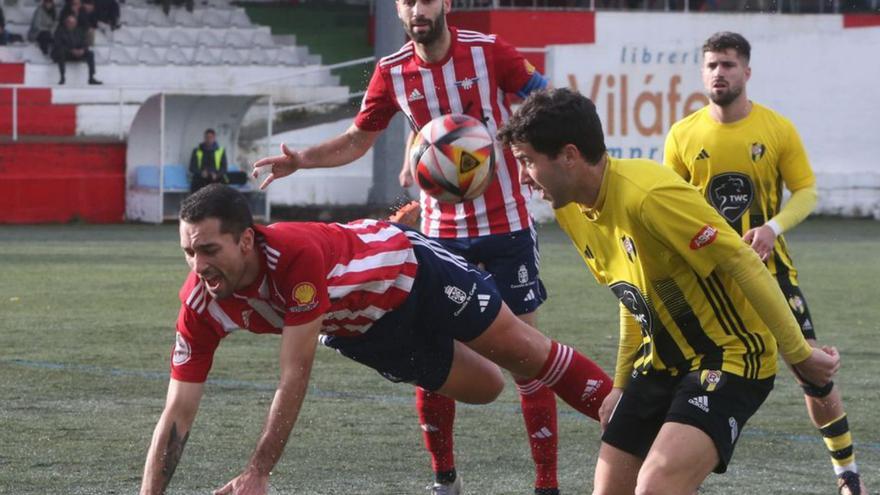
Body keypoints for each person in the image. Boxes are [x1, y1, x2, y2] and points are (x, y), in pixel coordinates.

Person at [253, 0, 561, 492]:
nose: (417, 8)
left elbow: (550, 101)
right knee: (436, 362)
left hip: (507, 230)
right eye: (406, 0)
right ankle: (445, 481)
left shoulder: (490, 53)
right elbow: (358, 139)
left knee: (529, 357)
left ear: (447, 4)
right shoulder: (392, 71)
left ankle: (547, 484)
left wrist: (512, 142)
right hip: (438, 240)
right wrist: (302, 161)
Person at [139, 184, 612, 495]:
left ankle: (635, 431)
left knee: (527, 355)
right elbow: (177, 412)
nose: (198, 266)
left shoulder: (292, 258)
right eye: (188, 251)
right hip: (365, 333)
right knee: (487, 388)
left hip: (413, 271)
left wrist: (258, 471)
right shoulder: (200, 304)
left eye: (208, 250)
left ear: (245, 240)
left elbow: (294, 375)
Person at [497, 88, 841, 495]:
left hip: (730, 355)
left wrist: (799, 355)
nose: (521, 177)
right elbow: (632, 294)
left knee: (656, 486)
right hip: (661, 360)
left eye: (527, 162)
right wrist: (621, 384)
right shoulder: (571, 207)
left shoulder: (648, 195)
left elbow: (743, 261)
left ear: (569, 155)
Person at [663, 31, 868, 495]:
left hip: (770, 271)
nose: (720, 73)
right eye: (713, 65)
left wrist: (773, 227)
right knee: (687, 373)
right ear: (702, 72)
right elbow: (667, 206)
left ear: (747, 72)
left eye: (729, 65)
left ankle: (847, 474)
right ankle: (673, 471)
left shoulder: (776, 129)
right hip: (707, 279)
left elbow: (808, 191)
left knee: (813, 372)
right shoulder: (682, 134)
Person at [51, 14, 101, 85]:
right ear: (66, 23)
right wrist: (71, 50)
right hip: (65, 53)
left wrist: (82, 50)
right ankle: (62, 77)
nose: (71, 24)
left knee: (90, 53)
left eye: (73, 22)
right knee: (61, 52)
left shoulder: (79, 31)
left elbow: (84, 43)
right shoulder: (59, 31)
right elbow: (58, 45)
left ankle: (91, 77)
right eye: (69, 22)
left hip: (76, 53)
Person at [189, 129, 228, 193]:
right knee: (196, 181)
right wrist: (201, 173)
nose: (208, 139)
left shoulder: (221, 151)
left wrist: (217, 174)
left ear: (214, 138)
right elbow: (191, 167)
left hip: (215, 178)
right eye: (207, 137)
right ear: (204, 138)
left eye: (211, 137)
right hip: (201, 178)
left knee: (222, 184)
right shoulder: (196, 151)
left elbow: (224, 168)